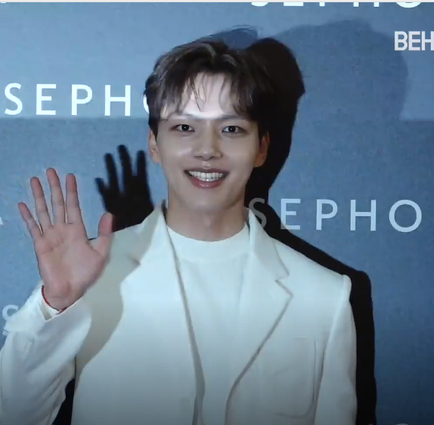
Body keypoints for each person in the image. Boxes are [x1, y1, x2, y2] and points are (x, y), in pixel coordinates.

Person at [0, 38, 357, 425]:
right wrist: (56, 304)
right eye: (185, 127)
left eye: (232, 128)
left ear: (261, 148)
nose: (207, 149)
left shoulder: (324, 295)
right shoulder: (93, 274)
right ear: (155, 144)